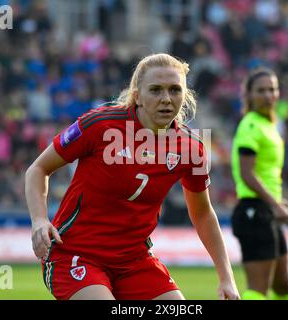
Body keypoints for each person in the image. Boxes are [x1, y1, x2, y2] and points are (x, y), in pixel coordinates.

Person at [25, 53, 240, 300]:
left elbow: (202, 214)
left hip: (134, 260)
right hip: (75, 254)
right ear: (137, 95)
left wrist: (226, 278)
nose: (166, 99)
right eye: (156, 90)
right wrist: (39, 220)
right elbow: (38, 169)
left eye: (174, 90)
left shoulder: (192, 147)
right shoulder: (100, 125)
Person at [230, 67, 288, 300]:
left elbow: (264, 173)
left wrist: (276, 202)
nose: (268, 95)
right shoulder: (250, 125)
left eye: (273, 89)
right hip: (253, 211)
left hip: (268, 208)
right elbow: (247, 174)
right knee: (259, 289)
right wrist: (275, 204)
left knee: (284, 285)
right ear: (248, 95)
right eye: (261, 90)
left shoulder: (269, 125)